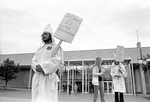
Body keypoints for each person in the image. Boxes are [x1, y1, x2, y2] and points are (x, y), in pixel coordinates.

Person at [31, 24, 64, 102]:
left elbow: (56, 60)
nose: (43, 36)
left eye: (45, 34)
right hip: (37, 77)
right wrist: (37, 67)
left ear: (50, 35)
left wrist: (43, 67)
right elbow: (33, 61)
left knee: (48, 98)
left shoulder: (55, 47)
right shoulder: (39, 49)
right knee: (36, 98)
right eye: (42, 34)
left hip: (48, 78)